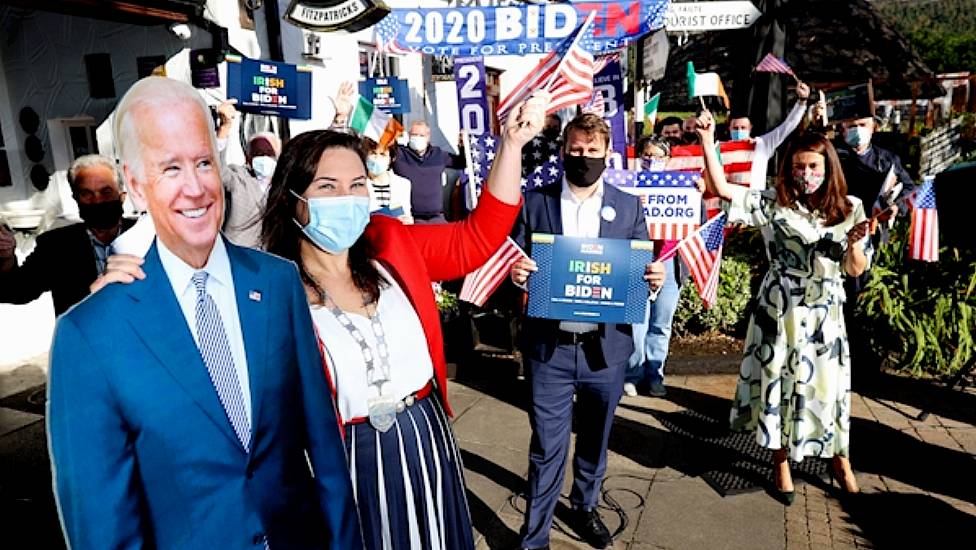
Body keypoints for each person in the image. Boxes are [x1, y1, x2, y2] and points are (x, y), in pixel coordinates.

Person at [47, 76, 361, 549]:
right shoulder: (90, 335)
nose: (194, 188)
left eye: (202, 163)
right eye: (170, 168)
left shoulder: (276, 285)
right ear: (134, 183)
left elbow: (325, 450)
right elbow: (101, 526)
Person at [251, 92, 545, 549]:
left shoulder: (389, 244)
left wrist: (511, 144)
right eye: (327, 186)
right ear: (292, 198)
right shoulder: (270, 292)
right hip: (346, 460)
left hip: (425, 434)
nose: (346, 198)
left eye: (356, 184)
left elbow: (479, 237)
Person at [696, 109, 871, 505]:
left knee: (829, 387)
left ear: (828, 167)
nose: (805, 173)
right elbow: (723, 189)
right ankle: (780, 461)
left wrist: (856, 242)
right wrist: (709, 141)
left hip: (826, 311)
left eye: (812, 166)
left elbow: (854, 268)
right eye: (798, 166)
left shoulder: (850, 208)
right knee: (777, 380)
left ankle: (839, 459)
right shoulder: (775, 202)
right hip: (781, 306)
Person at [510, 113, 666, 550]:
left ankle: (584, 505)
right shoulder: (535, 203)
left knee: (596, 438)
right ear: (563, 152)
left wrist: (650, 280)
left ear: (607, 155)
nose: (583, 158)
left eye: (592, 152)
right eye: (576, 151)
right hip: (550, 348)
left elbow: (639, 270)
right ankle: (535, 535)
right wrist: (517, 273)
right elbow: (513, 259)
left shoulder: (629, 206)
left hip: (605, 349)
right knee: (546, 446)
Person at [0, 154, 133, 315]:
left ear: (122, 197)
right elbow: (15, 291)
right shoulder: (56, 246)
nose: (97, 201)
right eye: (87, 194)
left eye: (106, 192)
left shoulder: (149, 234)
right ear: (76, 199)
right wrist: (6, 257)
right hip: (84, 336)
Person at [624, 137, 705, 398]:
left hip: (669, 260)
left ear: (668, 160)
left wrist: (697, 195)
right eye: (647, 155)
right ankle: (633, 374)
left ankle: (655, 375)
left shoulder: (681, 186)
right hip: (638, 259)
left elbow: (698, 221)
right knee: (637, 322)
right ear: (640, 158)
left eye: (658, 156)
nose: (652, 160)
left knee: (661, 323)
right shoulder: (629, 186)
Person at [215, 98, 281, 248]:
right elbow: (216, 168)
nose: (264, 158)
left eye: (269, 153)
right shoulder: (238, 178)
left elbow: (317, 163)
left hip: (273, 258)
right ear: (248, 158)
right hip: (239, 257)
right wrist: (225, 127)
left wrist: (339, 120)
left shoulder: (285, 183)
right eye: (258, 153)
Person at [727, 82, 811, 189]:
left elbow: (787, 126)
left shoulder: (762, 145)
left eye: (743, 128)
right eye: (735, 128)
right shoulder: (720, 148)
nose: (739, 131)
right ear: (729, 128)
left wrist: (802, 102)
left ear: (750, 128)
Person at [392, 120, 466, 224]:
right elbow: (382, 151)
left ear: (428, 136)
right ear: (408, 135)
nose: (418, 138)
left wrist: (463, 146)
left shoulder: (438, 154)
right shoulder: (399, 155)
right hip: (410, 218)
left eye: (421, 135)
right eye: (414, 135)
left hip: (437, 217)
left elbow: (461, 163)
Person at [364, 137, 413, 223]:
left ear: (391, 158)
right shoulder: (358, 184)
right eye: (373, 153)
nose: (377, 158)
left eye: (382, 154)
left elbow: (406, 214)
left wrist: (408, 220)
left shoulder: (403, 184)